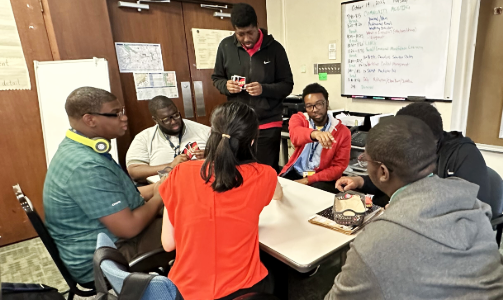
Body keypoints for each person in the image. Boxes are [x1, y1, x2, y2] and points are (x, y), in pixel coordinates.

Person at [325, 116, 503, 300]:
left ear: (383, 172)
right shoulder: (469, 199)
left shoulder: (369, 246)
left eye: (365, 159)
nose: (363, 163)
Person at [159, 101, 283, 300]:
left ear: (211, 136)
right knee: (277, 273)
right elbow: (278, 195)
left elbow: (168, 244)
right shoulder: (264, 175)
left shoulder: (180, 173)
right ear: (251, 142)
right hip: (243, 288)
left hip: (185, 291)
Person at [43, 87, 164, 284]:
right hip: (103, 258)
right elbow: (129, 228)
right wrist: (159, 197)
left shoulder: (80, 147)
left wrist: (154, 188)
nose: (124, 118)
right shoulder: (86, 165)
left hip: (106, 239)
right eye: (116, 114)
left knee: (176, 218)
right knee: (190, 227)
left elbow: (116, 196)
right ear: (90, 119)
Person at [336, 102, 491, 211]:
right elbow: (391, 178)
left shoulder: (463, 155)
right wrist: (360, 181)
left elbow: (470, 207)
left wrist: (411, 210)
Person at [211, 3, 293, 172]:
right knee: (239, 171)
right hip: (237, 124)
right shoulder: (225, 47)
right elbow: (216, 78)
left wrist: (264, 89)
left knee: (265, 171)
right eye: (241, 34)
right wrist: (225, 86)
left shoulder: (275, 49)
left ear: (257, 27)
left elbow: (287, 85)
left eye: (250, 32)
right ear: (234, 30)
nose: (246, 39)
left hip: (268, 124)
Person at [279, 83, 350, 193]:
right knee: (278, 190)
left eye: (319, 104)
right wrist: (315, 134)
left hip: (321, 177)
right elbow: (295, 135)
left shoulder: (343, 132)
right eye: (309, 106)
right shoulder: (299, 119)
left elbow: (338, 168)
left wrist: (307, 180)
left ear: (327, 103)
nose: (314, 109)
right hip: (297, 171)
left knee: (313, 194)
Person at [126, 96, 210, 182]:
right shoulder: (143, 138)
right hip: (162, 190)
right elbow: (134, 171)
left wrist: (209, 156)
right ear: (155, 120)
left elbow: (223, 158)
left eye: (176, 115)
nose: (173, 122)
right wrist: (171, 165)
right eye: (166, 120)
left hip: (199, 185)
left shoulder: (204, 131)